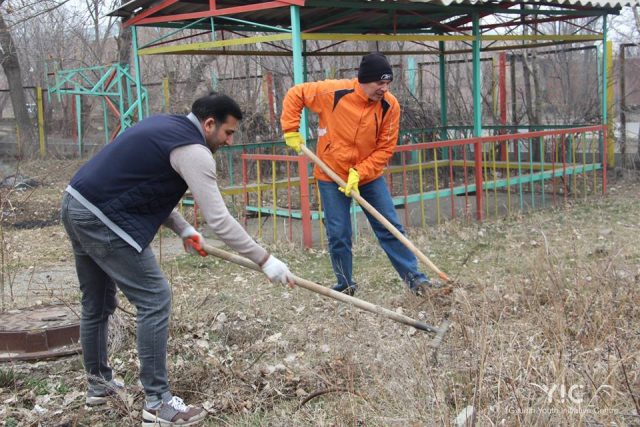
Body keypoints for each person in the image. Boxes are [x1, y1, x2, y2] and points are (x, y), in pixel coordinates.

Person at [61, 93, 294, 426]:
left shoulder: (165, 125)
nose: (229, 141)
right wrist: (265, 260)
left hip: (75, 203)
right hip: (102, 218)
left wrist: (184, 229)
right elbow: (220, 221)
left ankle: (99, 386)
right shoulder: (195, 151)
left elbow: (141, 182)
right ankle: (158, 404)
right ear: (209, 123)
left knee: (97, 301)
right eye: (228, 133)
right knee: (155, 299)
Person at [280, 52, 435, 296]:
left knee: (390, 227)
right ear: (364, 80)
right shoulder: (335, 92)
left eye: (387, 83)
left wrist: (360, 173)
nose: (384, 88)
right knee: (338, 233)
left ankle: (417, 281)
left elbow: (385, 148)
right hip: (330, 174)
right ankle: (345, 284)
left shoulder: (389, 106)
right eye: (379, 83)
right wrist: (290, 129)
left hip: (368, 176)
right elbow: (296, 94)